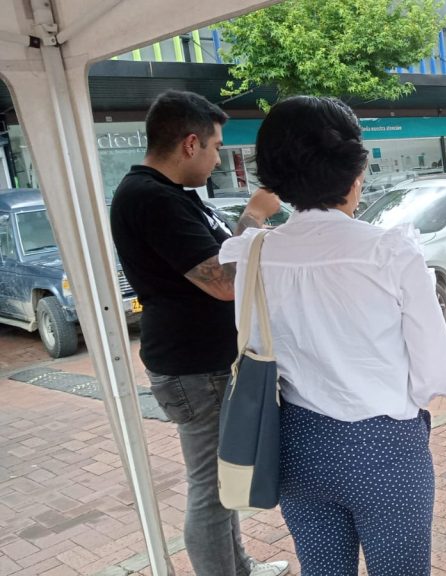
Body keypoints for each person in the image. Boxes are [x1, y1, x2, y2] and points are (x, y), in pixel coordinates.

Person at [219, 96, 446, 576]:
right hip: (384, 450)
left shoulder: (253, 253)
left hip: (297, 443)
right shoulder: (389, 251)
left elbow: (251, 343)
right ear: (355, 171)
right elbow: (439, 371)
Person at [109, 90, 289, 576]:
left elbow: (222, 259)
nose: (216, 159)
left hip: (202, 363)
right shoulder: (151, 199)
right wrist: (252, 216)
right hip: (193, 369)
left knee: (224, 480)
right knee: (211, 489)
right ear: (190, 144)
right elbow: (227, 282)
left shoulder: (170, 196)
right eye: (213, 147)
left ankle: (240, 567)